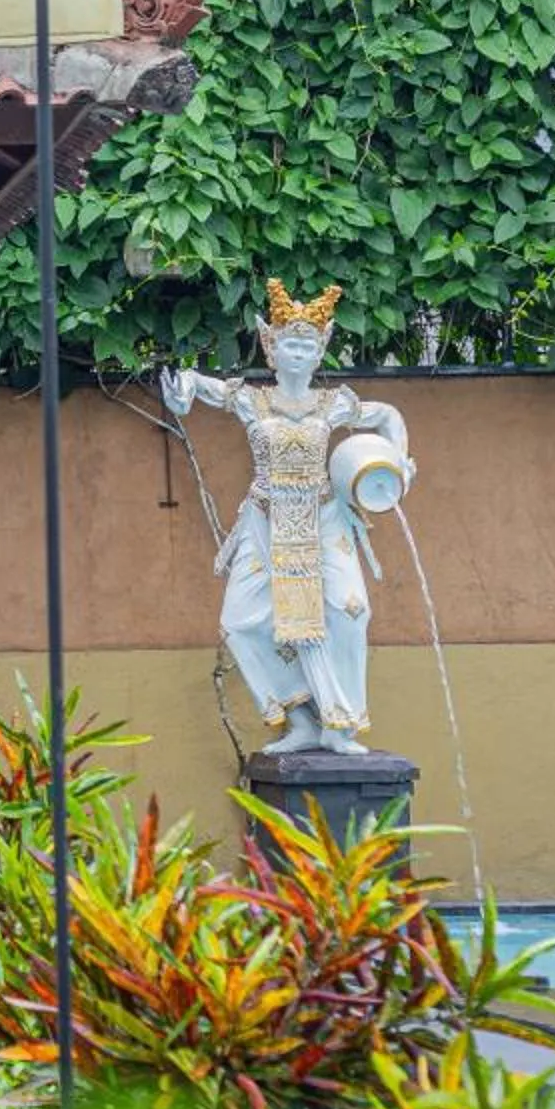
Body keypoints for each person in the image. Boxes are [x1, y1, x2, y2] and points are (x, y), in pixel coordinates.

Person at [163, 281, 412, 755]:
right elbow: (196, 383)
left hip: (324, 517)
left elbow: (388, 417)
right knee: (240, 622)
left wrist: (400, 460)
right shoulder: (250, 400)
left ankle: (339, 724)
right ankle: (299, 720)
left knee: (350, 611)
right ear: (271, 350)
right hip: (266, 518)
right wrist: (184, 390)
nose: (297, 354)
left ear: (320, 353)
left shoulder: (333, 404)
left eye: (307, 346)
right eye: (289, 345)